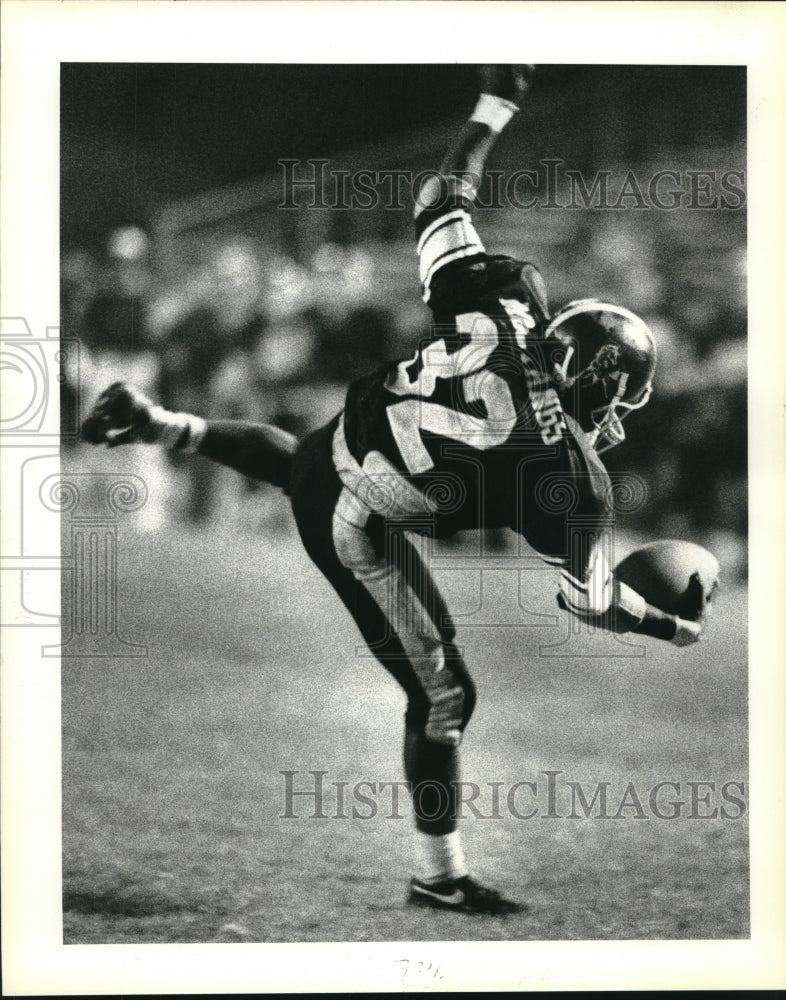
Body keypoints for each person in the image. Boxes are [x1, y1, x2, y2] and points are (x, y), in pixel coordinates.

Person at [81, 66, 702, 915]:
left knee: (308, 461)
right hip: (359, 522)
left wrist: (493, 108)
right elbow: (590, 604)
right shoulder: (570, 478)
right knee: (446, 695)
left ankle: (160, 422)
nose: (618, 418)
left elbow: (438, 199)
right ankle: (437, 875)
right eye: (618, 396)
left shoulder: (508, 302)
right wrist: (667, 624)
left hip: (348, 450)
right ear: (596, 375)